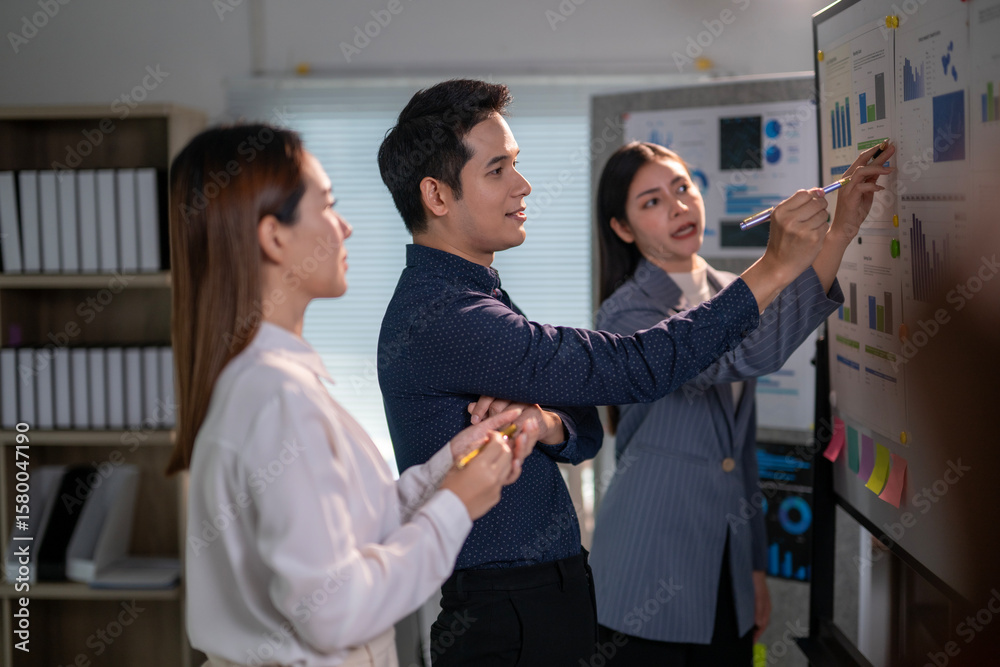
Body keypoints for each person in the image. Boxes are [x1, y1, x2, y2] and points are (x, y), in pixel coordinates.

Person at [375, 78, 841, 665]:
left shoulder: (476, 296)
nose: (522, 186)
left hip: (545, 599)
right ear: (437, 196)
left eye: (515, 164)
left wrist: (546, 422)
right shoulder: (449, 315)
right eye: (497, 170)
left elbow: (588, 429)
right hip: (506, 611)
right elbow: (633, 368)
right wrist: (775, 265)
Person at [166, 124, 542, 667]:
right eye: (328, 205)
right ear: (274, 238)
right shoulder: (276, 398)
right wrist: (457, 504)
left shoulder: (264, 384)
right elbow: (332, 609)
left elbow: (347, 533)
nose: (344, 227)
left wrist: (447, 471)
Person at [587, 140, 893, 665]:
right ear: (622, 228)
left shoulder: (730, 289)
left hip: (725, 565)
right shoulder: (624, 315)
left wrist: (753, 564)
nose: (679, 206)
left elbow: (740, 455)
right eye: (652, 201)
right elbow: (747, 355)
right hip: (646, 562)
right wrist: (786, 256)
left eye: (682, 187)